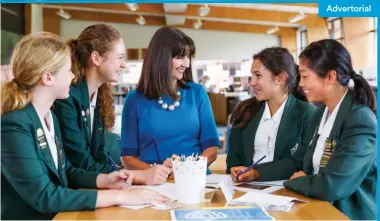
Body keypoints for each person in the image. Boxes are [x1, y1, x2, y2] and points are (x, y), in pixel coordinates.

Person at [1, 33, 168, 220]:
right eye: (67, 71)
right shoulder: (13, 126)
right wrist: (119, 195)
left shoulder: (48, 117)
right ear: (47, 78)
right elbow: (44, 196)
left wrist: (104, 180)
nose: (73, 76)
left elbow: (66, 172)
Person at [281, 39, 377, 220]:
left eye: (305, 76)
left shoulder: (359, 120)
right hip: (319, 209)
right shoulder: (320, 115)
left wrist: (298, 182)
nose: (300, 84)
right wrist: (256, 173)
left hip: (347, 215)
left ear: (331, 77)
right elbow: (300, 161)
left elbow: (334, 185)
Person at [120, 26, 220, 176]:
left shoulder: (197, 93)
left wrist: (185, 170)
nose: (186, 64)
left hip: (195, 180)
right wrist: (159, 172)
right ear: (161, 58)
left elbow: (211, 150)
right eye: (180, 57)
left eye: (188, 57)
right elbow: (128, 159)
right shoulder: (134, 101)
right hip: (154, 183)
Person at [227, 47, 315, 181]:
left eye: (258, 75)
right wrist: (235, 170)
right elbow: (233, 159)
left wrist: (256, 173)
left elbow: (302, 162)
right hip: (246, 191)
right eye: (252, 76)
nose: (252, 82)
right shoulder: (245, 111)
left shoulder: (307, 114)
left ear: (280, 78)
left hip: (288, 192)